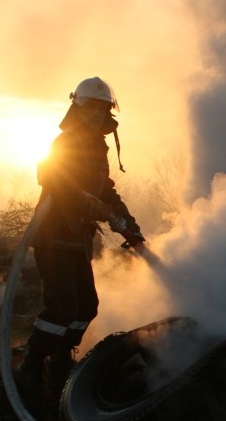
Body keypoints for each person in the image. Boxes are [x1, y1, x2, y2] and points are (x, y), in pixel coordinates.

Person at [15, 77, 145, 414]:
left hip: (77, 239)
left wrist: (131, 228)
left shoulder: (97, 148)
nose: (96, 113)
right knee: (62, 307)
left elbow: (106, 192)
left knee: (87, 306)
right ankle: (30, 367)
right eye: (91, 107)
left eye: (102, 108)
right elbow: (53, 178)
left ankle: (60, 360)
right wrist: (92, 207)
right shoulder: (67, 141)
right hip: (54, 236)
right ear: (78, 107)